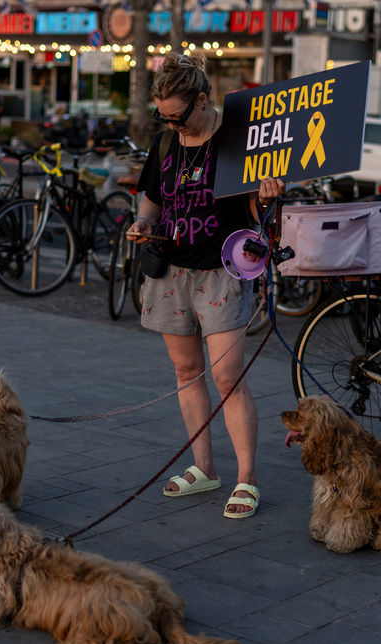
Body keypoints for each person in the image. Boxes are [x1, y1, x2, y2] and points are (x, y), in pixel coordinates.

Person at [125, 52, 285, 519]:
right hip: (171, 270)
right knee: (185, 372)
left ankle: (247, 478)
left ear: (202, 99)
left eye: (178, 116)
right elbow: (151, 200)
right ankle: (204, 468)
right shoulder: (165, 143)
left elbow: (259, 218)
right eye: (164, 118)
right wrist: (141, 222)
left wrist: (267, 194)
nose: (172, 126)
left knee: (226, 375)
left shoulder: (238, 141)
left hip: (222, 269)